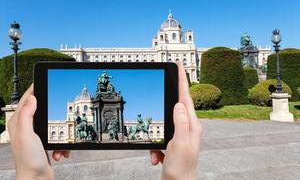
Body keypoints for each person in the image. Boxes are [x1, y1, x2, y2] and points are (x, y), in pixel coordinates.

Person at [7, 62, 202, 180]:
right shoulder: (88, 104)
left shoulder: (105, 87)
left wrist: (33, 176)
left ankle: (113, 134)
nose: (104, 80)